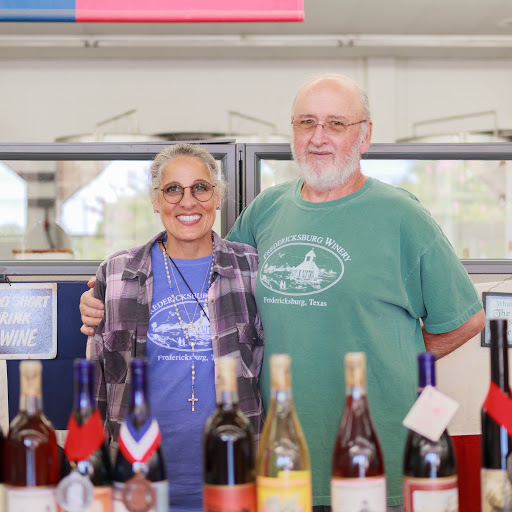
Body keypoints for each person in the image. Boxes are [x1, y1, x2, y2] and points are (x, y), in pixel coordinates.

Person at [80, 75, 485, 512]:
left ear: (364, 135)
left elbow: (467, 320)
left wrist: (396, 362)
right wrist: (101, 298)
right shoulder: (267, 210)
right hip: (277, 456)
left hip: (374, 452)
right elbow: (209, 273)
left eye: (336, 123)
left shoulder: (402, 216)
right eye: (306, 122)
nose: (318, 137)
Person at [85, 143, 264, 512]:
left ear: (217, 197)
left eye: (200, 187)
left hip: (236, 484)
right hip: (136, 487)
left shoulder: (252, 269)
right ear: (156, 200)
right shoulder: (117, 274)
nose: (188, 201)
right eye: (173, 190)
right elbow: (96, 390)